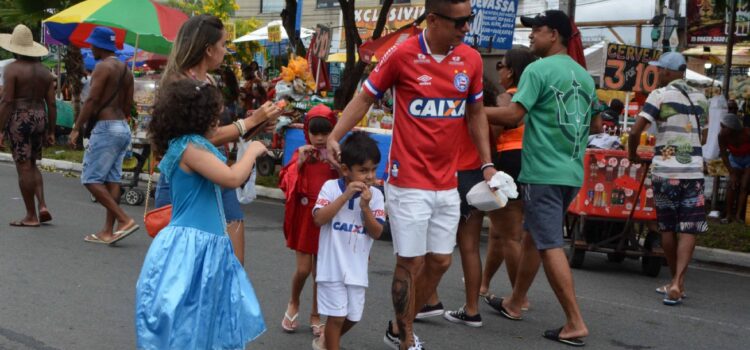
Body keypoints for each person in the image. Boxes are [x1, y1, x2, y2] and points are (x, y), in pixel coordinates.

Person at [326, 1, 496, 348]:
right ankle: (405, 337)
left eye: (470, 20)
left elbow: (476, 112)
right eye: (460, 21)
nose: (466, 28)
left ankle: (395, 326)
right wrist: (335, 134)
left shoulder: (472, 59)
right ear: (433, 19)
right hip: (408, 181)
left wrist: (487, 163)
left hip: (448, 182)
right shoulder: (402, 54)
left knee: (441, 261)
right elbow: (365, 97)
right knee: (411, 262)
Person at [484, 10, 594, 346]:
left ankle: (574, 322)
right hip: (572, 171)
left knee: (548, 244)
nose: (531, 36)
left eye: (538, 30)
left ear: (556, 35)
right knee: (533, 236)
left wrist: (471, 110)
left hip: (543, 171)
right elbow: (598, 124)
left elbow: (514, 115)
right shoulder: (584, 76)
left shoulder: (538, 69)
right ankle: (515, 302)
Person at [135, 79, 267, 349]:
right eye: (214, 116)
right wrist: (252, 152)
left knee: (201, 317)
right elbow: (231, 178)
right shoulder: (190, 149)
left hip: (203, 244)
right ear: (198, 117)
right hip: (192, 247)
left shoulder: (190, 146)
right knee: (191, 319)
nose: (218, 122)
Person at [156, 14, 281, 264]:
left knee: (232, 264)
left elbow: (214, 136)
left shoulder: (208, 80)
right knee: (186, 265)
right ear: (208, 49)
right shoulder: (179, 83)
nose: (226, 51)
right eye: (223, 45)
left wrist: (258, 125)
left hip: (217, 173)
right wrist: (250, 122)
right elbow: (202, 140)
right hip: (190, 181)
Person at [628, 52, 708, 306]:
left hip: (665, 173)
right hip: (693, 172)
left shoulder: (659, 95)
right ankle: (677, 283)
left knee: (667, 227)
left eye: (661, 70)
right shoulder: (701, 97)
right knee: (689, 228)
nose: (659, 74)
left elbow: (635, 131)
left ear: (670, 72)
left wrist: (632, 155)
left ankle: (675, 281)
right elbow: (703, 138)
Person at [311, 131, 385, 350]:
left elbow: (377, 232)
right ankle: (331, 344)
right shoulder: (331, 188)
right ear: (345, 170)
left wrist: (365, 207)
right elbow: (318, 219)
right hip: (331, 268)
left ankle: (325, 341)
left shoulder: (376, 196)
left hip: (356, 269)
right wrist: (344, 197)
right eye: (363, 170)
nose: (370, 176)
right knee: (336, 317)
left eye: (373, 169)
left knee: (353, 316)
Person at [67, 27, 138, 244]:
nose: (90, 47)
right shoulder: (126, 69)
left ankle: (124, 219)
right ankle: (108, 231)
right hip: (122, 126)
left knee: (90, 178)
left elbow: (92, 101)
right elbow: (128, 105)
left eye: (92, 44)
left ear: (100, 46)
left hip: (107, 127)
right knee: (112, 179)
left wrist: (77, 127)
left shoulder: (102, 67)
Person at [482, 48, 537, 314]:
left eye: (501, 65)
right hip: (535, 162)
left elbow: (492, 134)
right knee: (499, 232)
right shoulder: (537, 95)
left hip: (509, 160)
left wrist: (487, 164)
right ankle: (483, 284)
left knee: (510, 235)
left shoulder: (507, 98)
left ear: (512, 71)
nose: (499, 70)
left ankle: (518, 297)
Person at [278, 104, 339, 336]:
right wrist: (300, 162)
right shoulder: (300, 153)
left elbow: (346, 180)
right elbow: (284, 181)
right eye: (316, 133)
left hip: (327, 217)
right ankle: (293, 302)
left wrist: (336, 165)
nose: (321, 138)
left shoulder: (336, 154)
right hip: (305, 217)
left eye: (326, 132)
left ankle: (316, 314)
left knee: (321, 272)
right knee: (303, 269)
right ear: (307, 132)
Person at [0, 24, 56, 227]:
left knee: (23, 166)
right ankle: (42, 205)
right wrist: (51, 130)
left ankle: (31, 215)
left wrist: (0, 128)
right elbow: (51, 103)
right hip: (40, 116)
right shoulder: (45, 72)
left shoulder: (12, 69)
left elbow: (6, 101)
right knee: (32, 163)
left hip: (20, 116)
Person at [718, 100, 750, 223]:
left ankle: (738, 215)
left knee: (744, 186)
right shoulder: (722, 136)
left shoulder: (747, 133)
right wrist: (732, 172)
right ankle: (728, 215)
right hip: (734, 159)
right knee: (732, 185)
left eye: (724, 126)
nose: (721, 129)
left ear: (732, 127)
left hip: (748, 158)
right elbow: (724, 155)